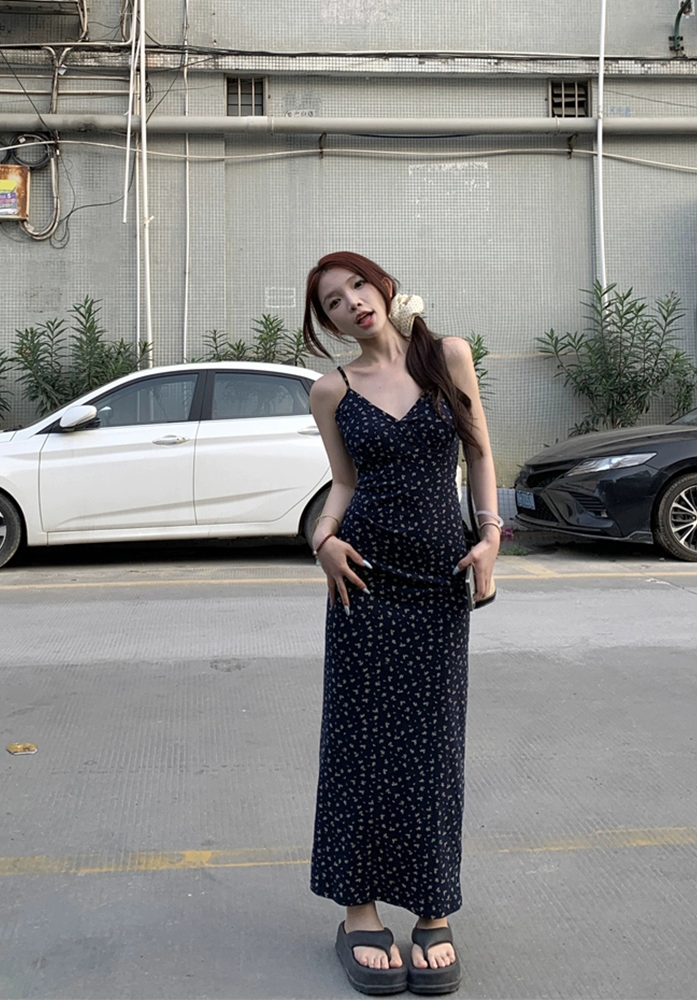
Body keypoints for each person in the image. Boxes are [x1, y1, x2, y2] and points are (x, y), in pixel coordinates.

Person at [302, 251, 500, 996]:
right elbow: (342, 483)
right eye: (332, 301)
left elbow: (479, 451)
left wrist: (489, 537)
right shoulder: (331, 390)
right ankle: (358, 910)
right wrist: (321, 541)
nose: (351, 302)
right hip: (363, 580)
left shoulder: (446, 355)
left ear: (382, 286)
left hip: (439, 580)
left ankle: (431, 908)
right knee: (357, 742)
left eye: (358, 285)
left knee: (433, 745)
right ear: (327, 323)